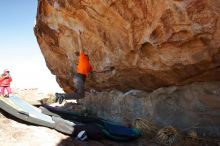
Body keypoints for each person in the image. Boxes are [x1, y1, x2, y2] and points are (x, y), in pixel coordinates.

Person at [55, 31, 93, 104]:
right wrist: (79, 35)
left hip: (77, 77)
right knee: (81, 95)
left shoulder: (87, 63)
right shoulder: (83, 58)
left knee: (78, 93)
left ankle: (62, 96)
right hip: (80, 77)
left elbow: (91, 72)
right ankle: (62, 96)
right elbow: (80, 46)